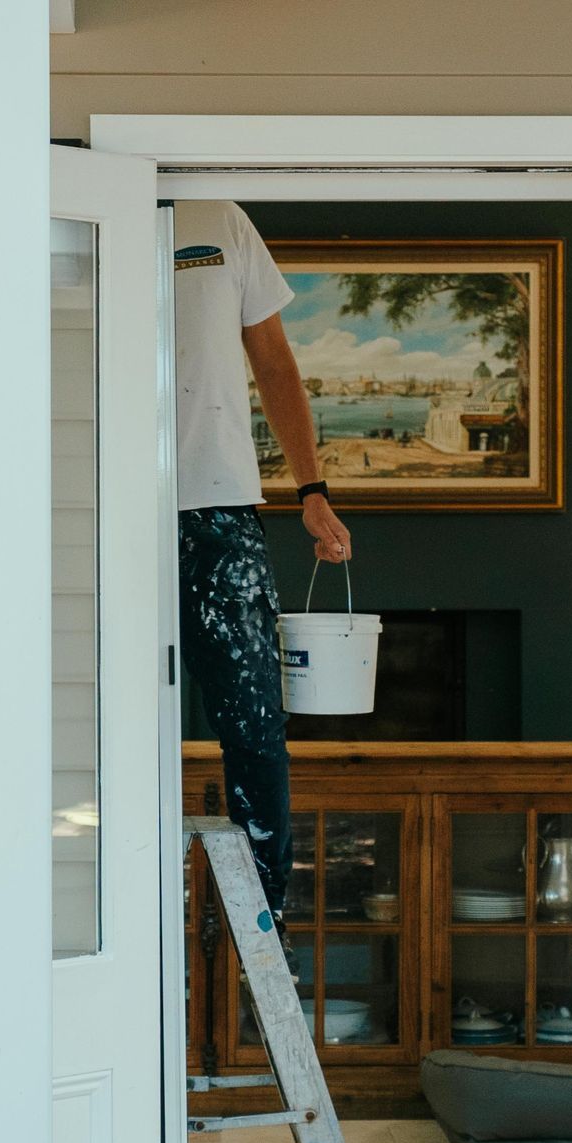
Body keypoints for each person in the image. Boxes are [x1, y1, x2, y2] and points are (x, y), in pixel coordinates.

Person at [172, 199, 352, 923]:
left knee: (252, 722)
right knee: (104, 715)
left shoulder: (218, 218)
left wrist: (311, 491)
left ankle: (261, 917)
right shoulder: (77, 201)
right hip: (107, 509)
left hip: (219, 508)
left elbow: (274, 362)